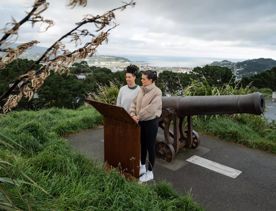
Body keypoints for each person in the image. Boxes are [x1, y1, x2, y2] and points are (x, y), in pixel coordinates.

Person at [129, 70, 162, 183]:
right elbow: (134, 103)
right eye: (141, 78)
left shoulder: (157, 92)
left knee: (150, 148)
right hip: (141, 122)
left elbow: (152, 109)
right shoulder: (141, 90)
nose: (141, 80)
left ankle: (150, 172)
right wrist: (133, 114)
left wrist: (138, 116)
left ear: (151, 80)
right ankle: (142, 166)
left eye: (144, 79)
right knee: (142, 145)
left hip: (150, 123)